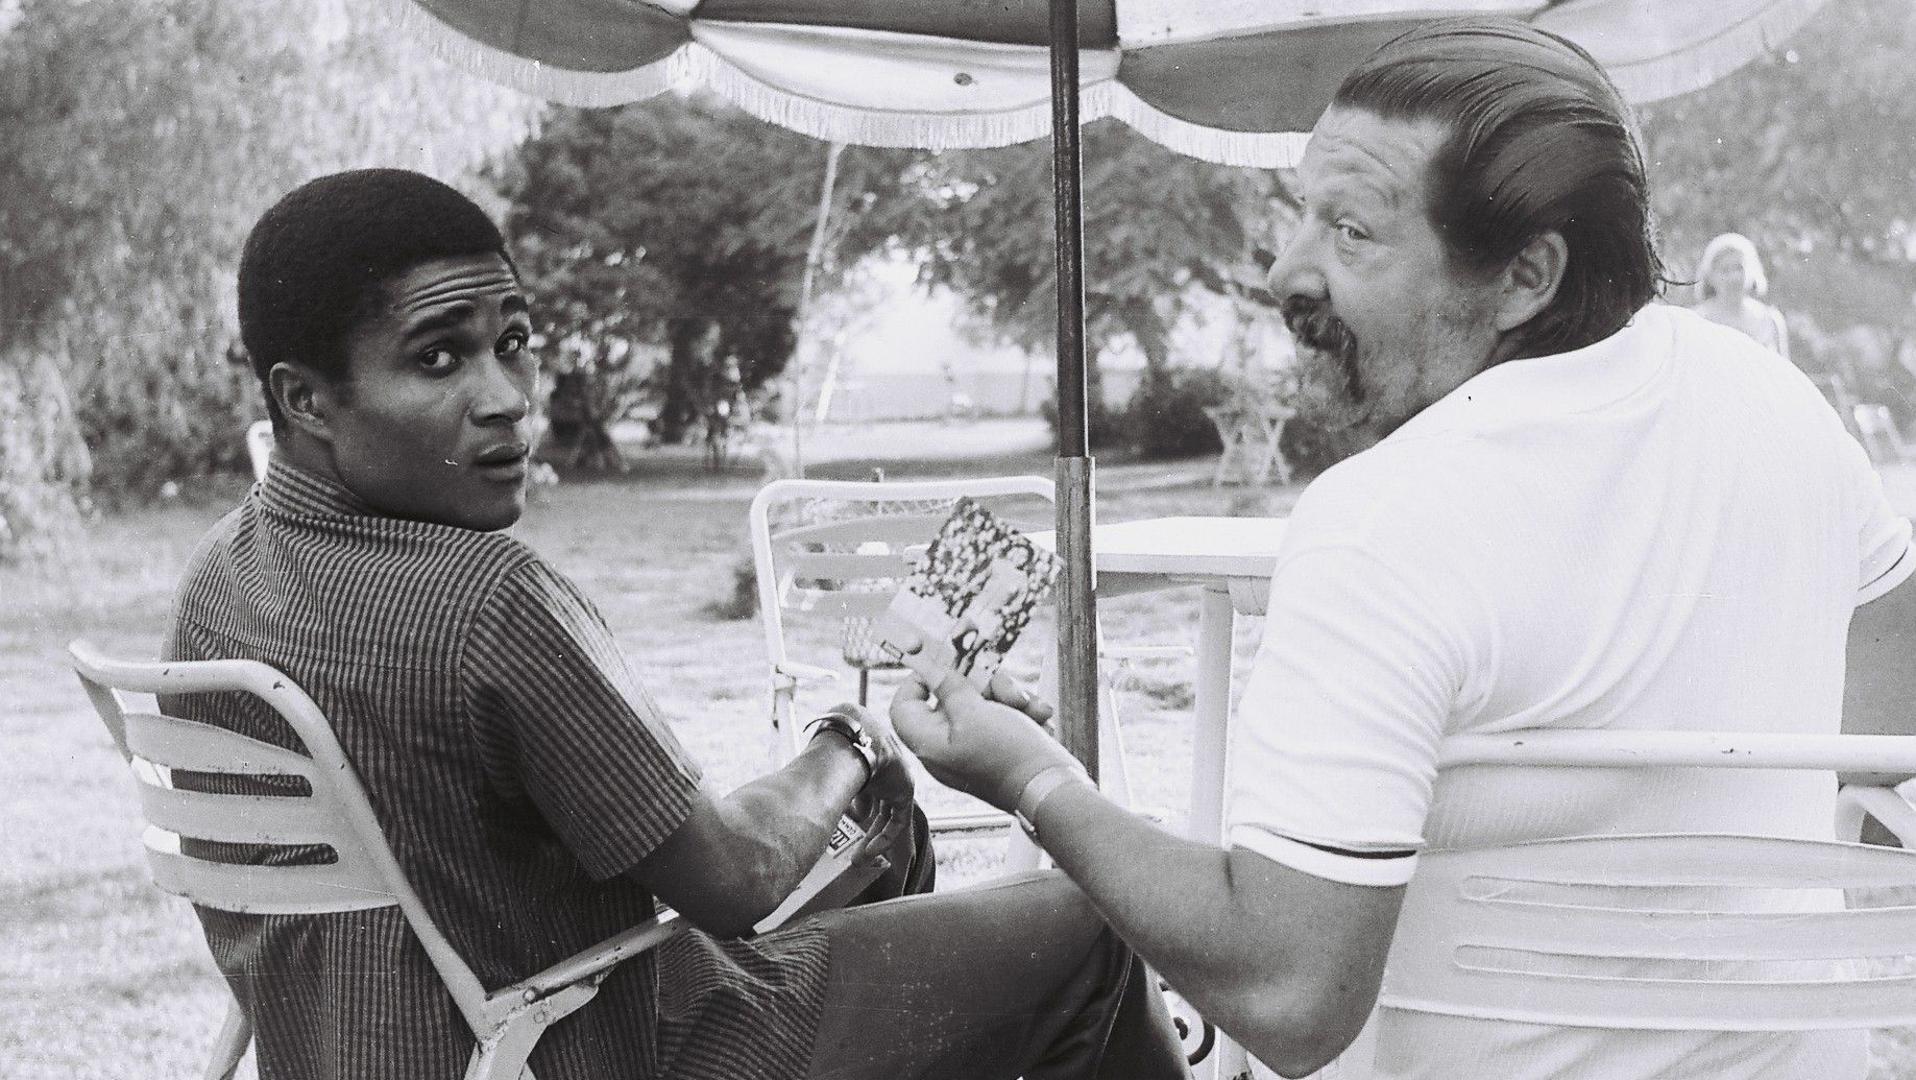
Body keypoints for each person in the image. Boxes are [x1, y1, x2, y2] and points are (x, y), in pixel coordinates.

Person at [889, 17, 1916, 1080]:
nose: (1284, 273)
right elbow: (1894, 709)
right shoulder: (1775, 402)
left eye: (1352, 234)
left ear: (1525, 274)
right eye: (1302, 217)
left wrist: (1034, 779)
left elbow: (1289, 996)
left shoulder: (1381, 526)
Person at [163, 168, 1186, 1080]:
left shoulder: (220, 575)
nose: (509, 399)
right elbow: (734, 880)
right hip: (587, 1042)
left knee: (878, 825)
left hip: (389, 1034)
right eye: (438, 360)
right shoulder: (488, 599)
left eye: (511, 343)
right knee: (1089, 931)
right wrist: (858, 736)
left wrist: (855, 767)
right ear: (304, 399)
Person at [1690, 231, 1791, 357]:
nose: (1734, 277)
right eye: (1725, 270)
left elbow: (1783, 372)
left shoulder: (1769, 320)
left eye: (1739, 268)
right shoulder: (1696, 321)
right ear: (1710, 276)